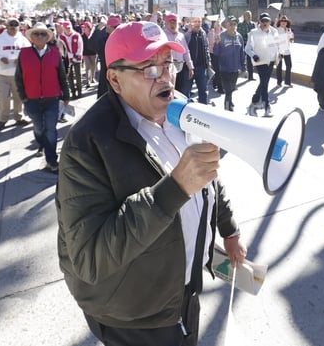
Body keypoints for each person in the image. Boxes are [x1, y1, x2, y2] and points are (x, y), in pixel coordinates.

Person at [56, 20, 246, 346]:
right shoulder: (86, 144)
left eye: (167, 64)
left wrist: (229, 230)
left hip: (182, 291)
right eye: (148, 68)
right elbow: (90, 257)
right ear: (115, 79)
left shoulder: (180, 108)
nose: (166, 77)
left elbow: (208, 177)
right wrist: (174, 189)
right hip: (133, 315)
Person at [15, 23, 70, 170]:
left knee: (51, 129)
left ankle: (52, 161)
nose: (40, 36)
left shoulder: (54, 52)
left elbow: (62, 76)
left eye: (43, 34)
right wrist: (23, 97)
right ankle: (41, 144)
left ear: (48, 37)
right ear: (31, 37)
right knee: (39, 129)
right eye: (37, 34)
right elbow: (18, 77)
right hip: (31, 99)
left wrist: (66, 94)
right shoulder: (24, 53)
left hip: (52, 98)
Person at [0, 18, 31, 130]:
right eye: (11, 24)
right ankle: (3, 119)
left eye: (16, 25)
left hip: (18, 74)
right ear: (7, 26)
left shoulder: (23, 40)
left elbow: (29, 54)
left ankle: (19, 117)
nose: (13, 27)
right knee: (3, 98)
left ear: (19, 27)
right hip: (2, 74)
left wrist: (20, 60)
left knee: (18, 98)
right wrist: (0, 58)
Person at [245, 12, 279, 117]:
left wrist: (281, 53)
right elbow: (247, 48)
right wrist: (253, 55)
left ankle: (255, 99)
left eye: (267, 21)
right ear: (259, 21)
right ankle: (267, 107)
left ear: (270, 22)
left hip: (271, 60)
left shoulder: (274, 32)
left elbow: (279, 45)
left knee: (264, 82)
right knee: (265, 84)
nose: (265, 23)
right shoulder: (253, 32)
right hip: (260, 62)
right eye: (263, 21)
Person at [213, 16, 246, 112]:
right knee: (227, 90)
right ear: (226, 25)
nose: (233, 26)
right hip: (224, 69)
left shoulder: (239, 36)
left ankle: (230, 101)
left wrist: (243, 67)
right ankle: (227, 108)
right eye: (230, 24)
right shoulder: (221, 36)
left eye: (234, 24)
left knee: (231, 88)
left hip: (235, 69)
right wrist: (217, 44)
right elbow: (216, 52)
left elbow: (242, 52)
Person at [163, 13, 193, 95]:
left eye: (175, 22)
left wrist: (190, 67)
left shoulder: (181, 36)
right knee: (169, 91)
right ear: (166, 23)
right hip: (168, 67)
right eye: (170, 22)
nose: (173, 24)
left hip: (180, 66)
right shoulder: (162, 35)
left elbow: (186, 51)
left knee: (181, 92)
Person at [183, 17, 210, 104]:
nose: (197, 23)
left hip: (201, 67)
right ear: (191, 23)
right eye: (195, 22)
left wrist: (208, 61)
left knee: (203, 91)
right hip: (188, 68)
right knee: (186, 92)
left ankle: (203, 111)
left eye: (199, 22)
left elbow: (206, 48)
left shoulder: (203, 33)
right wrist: (189, 32)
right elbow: (183, 47)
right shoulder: (185, 33)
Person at [96, 16, 122, 98]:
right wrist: (97, 31)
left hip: (120, 73)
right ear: (108, 28)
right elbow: (92, 46)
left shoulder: (122, 39)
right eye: (115, 27)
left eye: (118, 27)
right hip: (106, 73)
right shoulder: (102, 39)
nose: (117, 29)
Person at [274, 15, 294, 88]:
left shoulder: (288, 29)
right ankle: (279, 82)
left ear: (287, 22)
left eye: (285, 21)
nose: (283, 22)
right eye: (282, 21)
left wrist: (291, 37)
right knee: (279, 67)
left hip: (287, 50)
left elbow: (292, 40)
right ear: (280, 22)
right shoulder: (277, 29)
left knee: (289, 65)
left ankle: (288, 82)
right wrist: (275, 25)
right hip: (279, 50)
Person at [236, 11, 256, 81]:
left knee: (250, 60)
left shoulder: (253, 24)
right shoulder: (240, 25)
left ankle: (251, 76)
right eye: (248, 15)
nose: (249, 17)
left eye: (250, 15)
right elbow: (239, 35)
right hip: (243, 43)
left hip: (250, 44)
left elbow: (254, 34)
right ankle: (240, 73)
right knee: (242, 59)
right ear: (244, 17)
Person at [207, 19, 223, 93]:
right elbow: (211, 43)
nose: (218, 24)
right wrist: (217, 41)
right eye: (217, 23)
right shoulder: (211, 32)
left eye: (219, 23)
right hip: (213, 53)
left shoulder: (223, 31)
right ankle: (220, 87)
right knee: (217, 70)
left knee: (220, 70)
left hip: (222, 54)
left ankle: (215, 83)